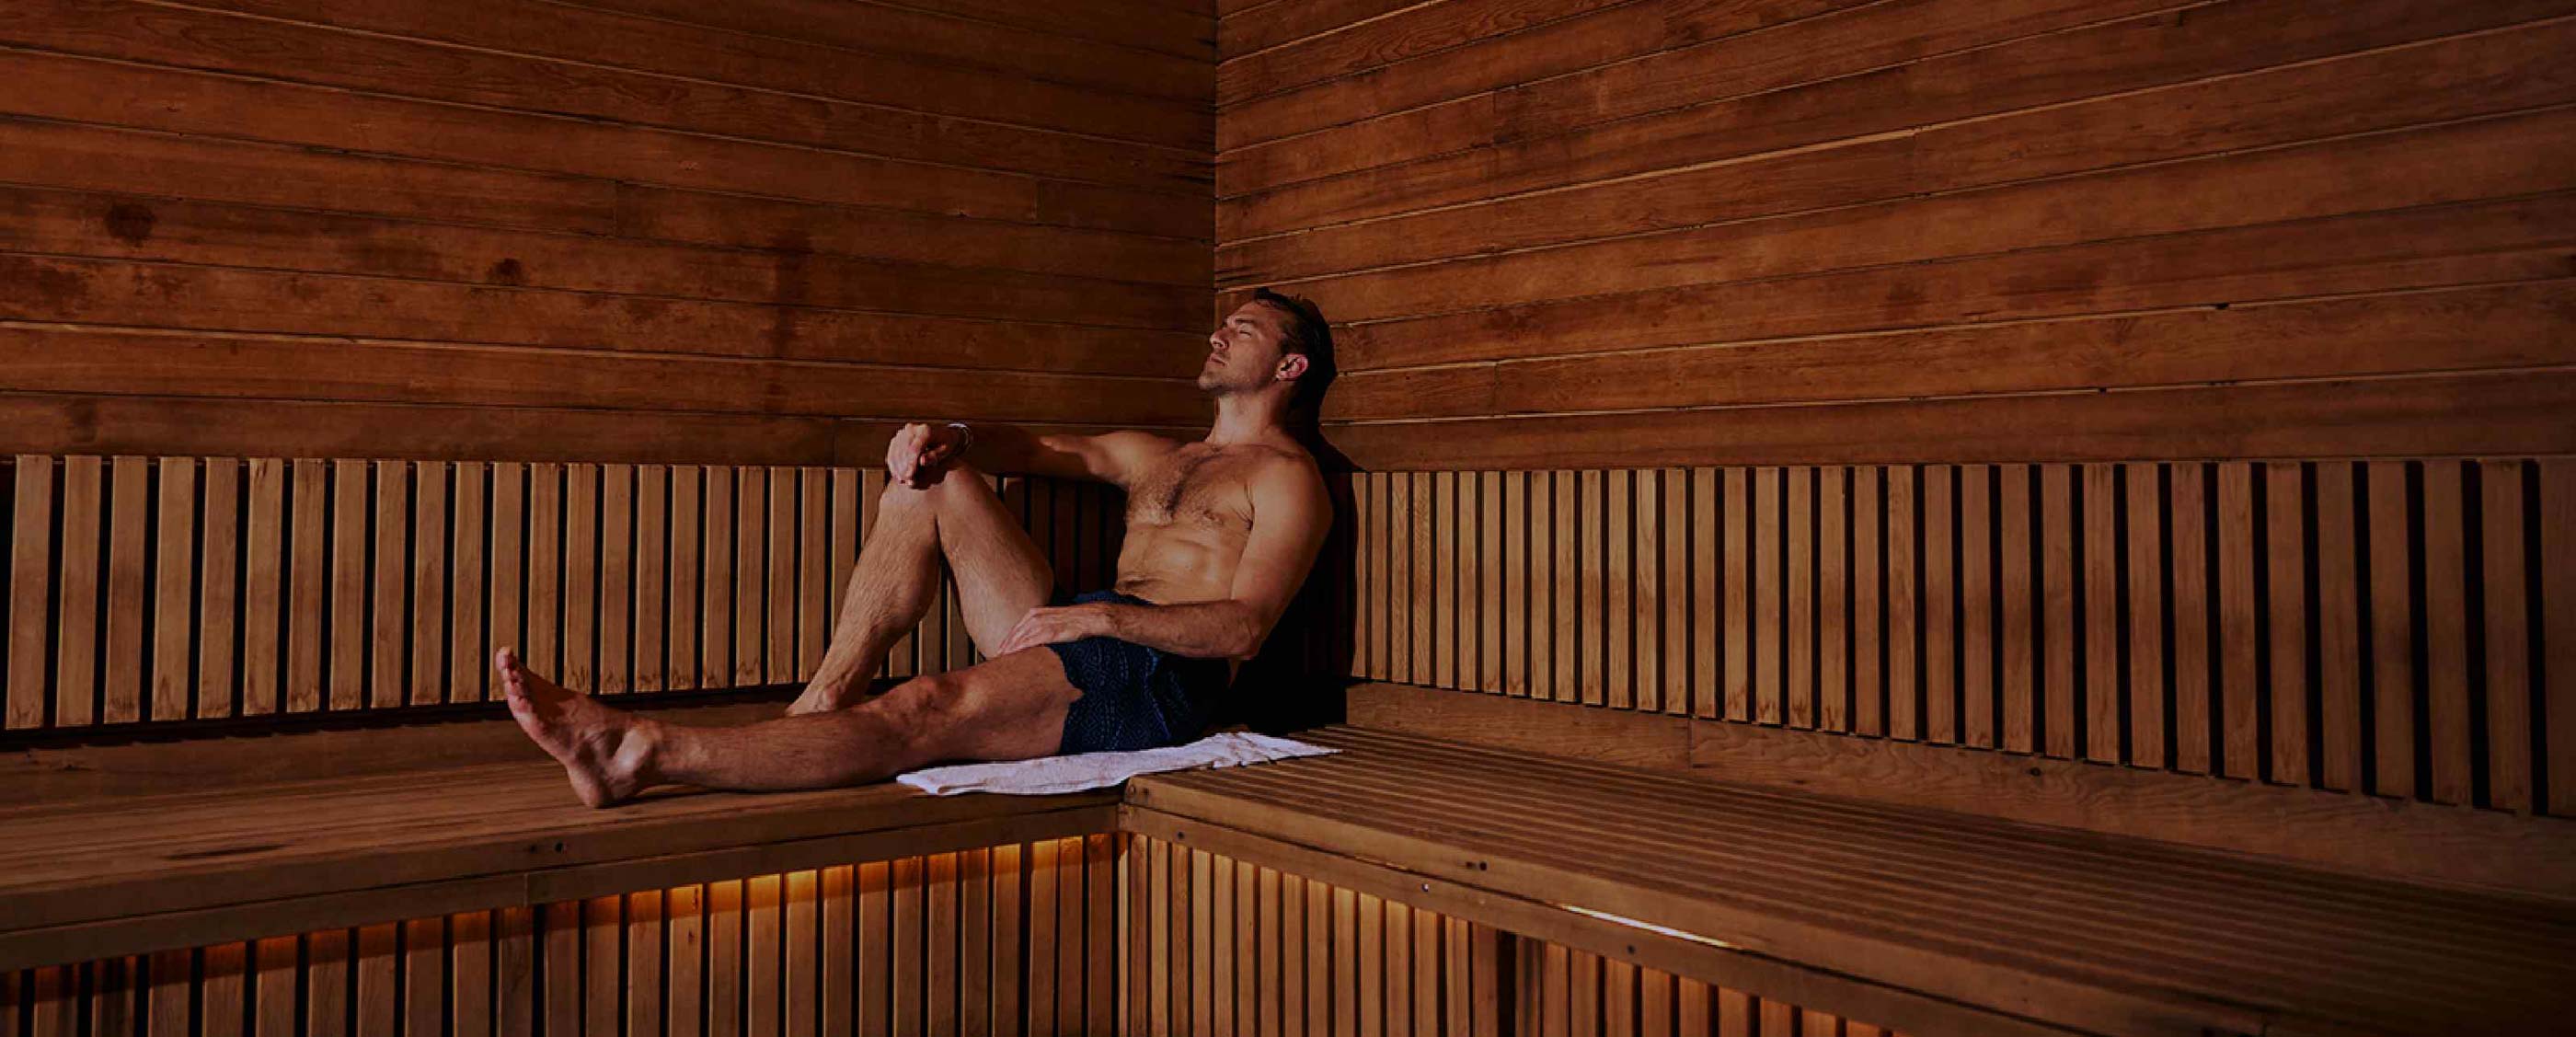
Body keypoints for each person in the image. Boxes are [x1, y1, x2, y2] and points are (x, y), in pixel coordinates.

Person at [497, 289, 1339, 807]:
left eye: (1244, 329)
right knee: (930, 479)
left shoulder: (1287, 477)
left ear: (1290, 366)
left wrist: (1105, 621)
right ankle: (826, 696)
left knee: (927, 705)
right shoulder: (1159, 456)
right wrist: (947, 435)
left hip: (1160, 676)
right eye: (1222, 323)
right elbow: (1037, 448)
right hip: (1081, 631)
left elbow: (1244, 627)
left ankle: (641, 751)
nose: (1219, 335)